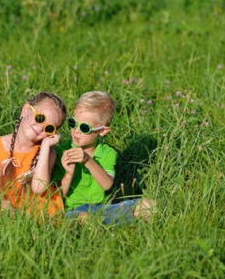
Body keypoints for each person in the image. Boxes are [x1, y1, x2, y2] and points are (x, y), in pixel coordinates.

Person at [52, 91, 155, 224]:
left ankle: (107, 223)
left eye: (84, 127)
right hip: (72, 210)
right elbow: (58, 196)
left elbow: (107, 184)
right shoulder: (61, 151)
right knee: (84, 218)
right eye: (73, 123)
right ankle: (110, 224)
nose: (76, 130)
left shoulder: (108, 153)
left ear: (102, 131)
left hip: (101, 208)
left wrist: (88, 161)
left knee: (150, 206)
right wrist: (69, 172)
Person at [0, 92, 67, 218]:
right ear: (25, 110)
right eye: (40, 118)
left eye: (49, 128)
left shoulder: (48, 153)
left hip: (40, 208)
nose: (41, 128)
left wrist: (45, 147)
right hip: (8, 205)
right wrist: (5, 208)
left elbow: (39, 188)